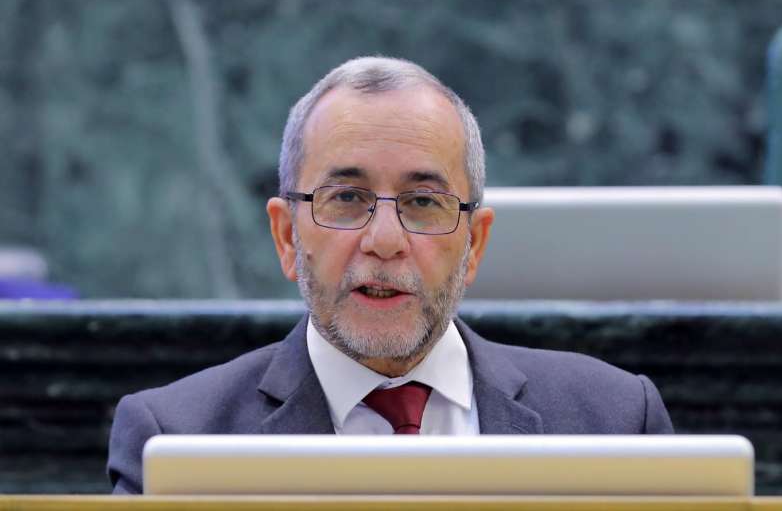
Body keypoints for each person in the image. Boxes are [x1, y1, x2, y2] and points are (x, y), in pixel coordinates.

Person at [107, 56, 673, 494]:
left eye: (423, 202)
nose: (384, 240)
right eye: (346, 198)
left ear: (474, 243)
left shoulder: (615, 420)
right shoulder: (175, 440)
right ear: (287, 236)